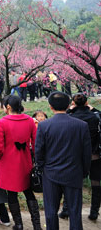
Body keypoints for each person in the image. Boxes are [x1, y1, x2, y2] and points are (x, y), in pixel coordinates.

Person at [0, 95, 41, 230]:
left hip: (8, 163)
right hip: (25, 162)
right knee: (28, 192)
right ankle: (36, 225)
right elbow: (36, 143)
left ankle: (19, 224)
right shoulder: (30, 121)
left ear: (8, 107)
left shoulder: (2, 122)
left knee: (12, 194)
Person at [54, 92, 99, 222]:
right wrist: (93, 109)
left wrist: (69, 109)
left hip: (75, 156)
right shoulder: (95, 117)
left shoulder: (71, 116)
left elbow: (61, 119)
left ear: (73, 104)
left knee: (73, 183)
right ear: (86, 103)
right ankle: (94, 211)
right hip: (94, 155)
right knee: (96, 183)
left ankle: (67, 210)